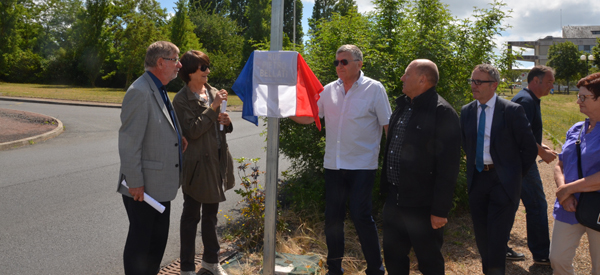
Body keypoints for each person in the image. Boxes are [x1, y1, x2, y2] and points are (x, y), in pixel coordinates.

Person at [291, 44, 391, 275]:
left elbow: (388, 126)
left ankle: (375, 270)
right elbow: (310, 118)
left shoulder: (374, 89)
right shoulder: (327, 90)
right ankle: (334, 269)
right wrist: (285, 111)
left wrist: (394, 161)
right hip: (334, 166)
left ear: (359, 64)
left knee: (361, 216)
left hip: (362, 166)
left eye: (344, 62)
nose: (339, 66)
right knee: (332, 220)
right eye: (336, 62)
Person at [380, 59, 461, 274]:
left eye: (407, 74)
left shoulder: (442, 113)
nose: (402, 78)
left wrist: (440, 210)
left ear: (422, 79)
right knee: (393, 256)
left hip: (423, 206)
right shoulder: (403, 106)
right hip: (395, 200)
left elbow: (449, 167)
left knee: (429, 260)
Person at [117, 41, 188, 275]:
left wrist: (179, 138)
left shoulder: (157, 87)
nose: (179, 65)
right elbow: (129, 142)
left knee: (155, 245)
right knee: (141, 246)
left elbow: (157, 127)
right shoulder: (139, 91)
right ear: (161, 62)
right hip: (143, 189)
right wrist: (135, 182)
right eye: (175, 59)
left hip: (159, 186)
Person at [460, 64, 537, 275]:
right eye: (472, 81)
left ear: (494, 85)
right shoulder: (467, 111)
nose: (473, 85)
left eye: (479, 82)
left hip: (502, 182)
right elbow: (465, 143)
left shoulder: (512, 111)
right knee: (482, 237)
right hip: (477, 179)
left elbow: (529, 148)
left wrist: (513, 175)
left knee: (497, 238)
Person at [172, 50, 235, 275]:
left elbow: (220, 127)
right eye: (203, 68)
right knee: (191, 217)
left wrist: (226, 122)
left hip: (217, 161)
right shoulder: (180, 99)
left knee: (211, 216)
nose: (208, 71)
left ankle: (210, 261)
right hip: (196, 166)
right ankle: (187, 268)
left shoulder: (213, 92)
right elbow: (193, 130)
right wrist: (214, 107)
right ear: (190, 72)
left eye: (208, 66)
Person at [550, 72, 600, 275]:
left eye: (584, 97)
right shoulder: (576, 128)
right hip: (568, 206)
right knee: (557, 259)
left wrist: (566, 189)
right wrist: (566, 194)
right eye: (578, 96)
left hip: (596, 208)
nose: (578, 101)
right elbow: (559, 164)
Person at [506, 65, 557, 264]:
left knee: (508, 206)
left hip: (519, 162)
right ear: (536, 81)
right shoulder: (525, 101)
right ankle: (542, 253)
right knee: (536, 205)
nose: (552, 85)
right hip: (522, 164)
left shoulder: (529, 100)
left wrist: (541, 144)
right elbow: (518, 135)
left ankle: (498, 246)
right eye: (550, 81)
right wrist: (541, 152)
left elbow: (527, 132)